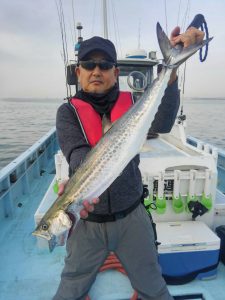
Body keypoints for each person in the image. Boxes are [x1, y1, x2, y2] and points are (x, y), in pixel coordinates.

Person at [53, 26, 204, 300]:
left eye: (105, 64)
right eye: (88, 64)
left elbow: (163, 122)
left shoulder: (135, 102)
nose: (96, 71)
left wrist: (170, 73)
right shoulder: (67, 113)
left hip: (132, 217)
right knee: (71, 287)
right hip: (88, 223)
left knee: (153, 287)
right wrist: (78, 183)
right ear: (79, 72)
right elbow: (76, 153)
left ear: (115, 72)